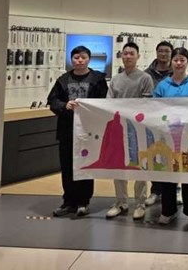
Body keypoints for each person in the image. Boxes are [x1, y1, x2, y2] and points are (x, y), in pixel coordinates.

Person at [48, 45, 108, 217]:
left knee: (86, 165)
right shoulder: (63, 80)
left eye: (83, 57)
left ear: (89, 59)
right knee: (67, 166)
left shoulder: (98, 79)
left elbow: (104, 102)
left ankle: (84, 201)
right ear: (71, 59)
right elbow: (52, 101)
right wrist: (64, 105)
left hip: (88, 131)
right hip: (67, 131)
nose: (79, 60)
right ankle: (68, 201)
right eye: (76, 57)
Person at [154, 47, 188, 225]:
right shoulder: (162, 86)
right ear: (171, 62)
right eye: (175, 60)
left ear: (187, 62)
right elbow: (155, 109)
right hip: (167, 136)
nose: (178, 63)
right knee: (168, 173)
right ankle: (168, 210)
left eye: (182, 60)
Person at [105, 42, 154, 220]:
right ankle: (121, 202)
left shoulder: (145, 78)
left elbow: (147, 104)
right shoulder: (116, 80)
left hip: (138, 130)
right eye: (125, 53)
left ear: (138, 56)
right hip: (119, 129)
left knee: (140, 166)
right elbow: (109, 103)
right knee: (118, 165)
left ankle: (140, 203)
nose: (127, 56)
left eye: (131, 53)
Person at [144, 40, 174, 206]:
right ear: (156, 53)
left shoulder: (177, 72)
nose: (163, 54)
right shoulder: (146, 74)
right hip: (153, 122)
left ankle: (174, 189)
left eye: (167, 51)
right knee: (155, 155)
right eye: (160, 51)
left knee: (172, 155)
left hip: (173, 122)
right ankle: (155, 190)